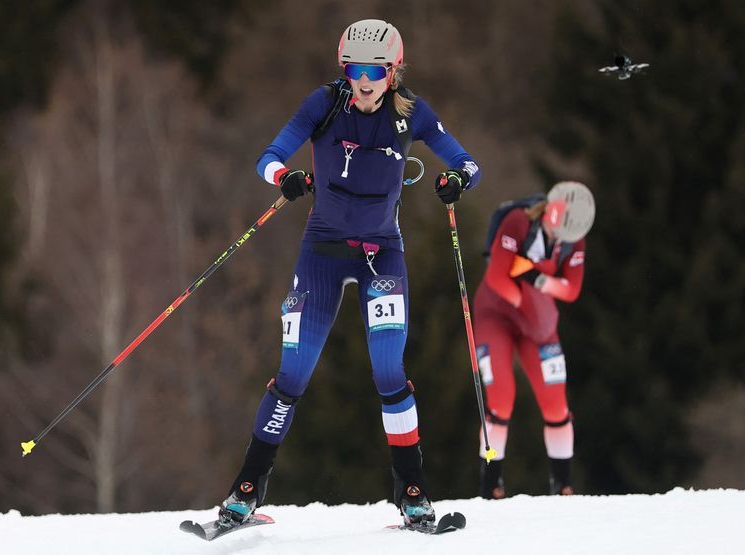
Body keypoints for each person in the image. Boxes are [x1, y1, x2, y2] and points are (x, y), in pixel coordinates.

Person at [218, 19, 481, 527]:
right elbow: (268, 157)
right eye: (354, 69)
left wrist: (455, 181)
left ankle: (412, 492)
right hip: (322, 251)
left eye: (375, 71)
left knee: (389, 370)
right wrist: (286, 177)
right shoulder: (325, 103)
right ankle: (247, 490)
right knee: (293, 372)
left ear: (393, 73)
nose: (363, 81)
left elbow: (468, 163)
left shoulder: (412, 114)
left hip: (382, 253)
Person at [473, 181, 594, 498]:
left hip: (537, 323)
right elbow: (497, 278)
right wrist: (526, 297)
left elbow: (571, 290)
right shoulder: (519, 221)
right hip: (495, 314)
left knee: (556, 404)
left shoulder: (574, 242)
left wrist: (535, 279)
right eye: (557, 230)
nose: (559, 239)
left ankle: (562, 484)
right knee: (500, 400)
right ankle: (491, 483)